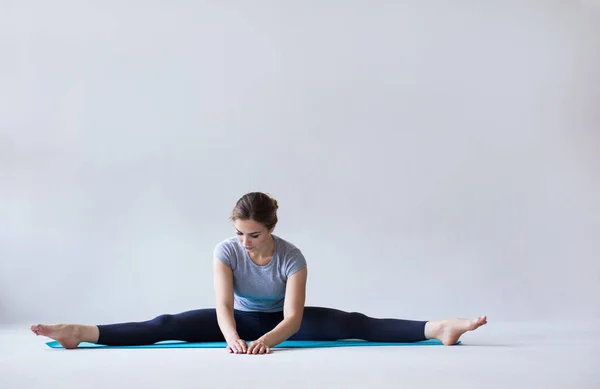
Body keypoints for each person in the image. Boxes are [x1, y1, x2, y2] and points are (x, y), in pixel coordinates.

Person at [31, 192, 487, 354]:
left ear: (270, 229)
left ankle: (440, 327)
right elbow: (223, 305)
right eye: (238, 233)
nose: (243, 242)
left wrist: (266, 342)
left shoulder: (293, 257)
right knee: (166, 325)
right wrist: (232, 337)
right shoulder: (225, 250)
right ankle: (80, 332)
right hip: (239, 318)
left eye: (251, 235)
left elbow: (292, 317)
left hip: (280, 323)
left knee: (354, 323)